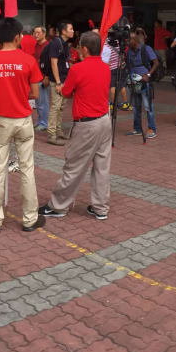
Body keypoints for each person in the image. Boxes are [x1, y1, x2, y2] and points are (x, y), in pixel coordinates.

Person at [38, 31, 112, 221]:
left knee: (74, 166)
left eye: (80, 47)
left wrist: (62, 87)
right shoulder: (105, 68)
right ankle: (100, 207)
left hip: (87, 124)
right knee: (101, 167)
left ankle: (59, 206)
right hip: (104, 120)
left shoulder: (77, 69)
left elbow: (67, 92)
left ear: (85, 49)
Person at [0, 17, 45, 235]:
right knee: (27, 169)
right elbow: (35, 93)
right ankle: (30, 219)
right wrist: (19, 93)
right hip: (24, 120)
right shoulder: (28, 61)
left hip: (1, 120)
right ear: (18, 37)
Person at [46, 21, 74, 146]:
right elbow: (53, 62)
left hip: (64, 79)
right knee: (55, 107)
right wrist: (58, 82)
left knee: (61, 107)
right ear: (63, 31)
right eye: (71, 29)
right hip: (57, 80)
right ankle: (51, 134)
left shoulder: (64, 44)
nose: (73, 31)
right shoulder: (56, 43)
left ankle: (58, 130)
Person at [126, 30, 158, 138]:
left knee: (148, 106)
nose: (128, 41)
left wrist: (148, 75)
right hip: (134, 81)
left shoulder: (146, 48)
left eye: (130, 39)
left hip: (145, 82)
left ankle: (151, 129)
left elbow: (156, 62)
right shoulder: (129, 51)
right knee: (136, 107)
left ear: (136, 39)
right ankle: (137, 129)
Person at [31, 26, 50, 130]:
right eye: (34, 32)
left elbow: (50, 62)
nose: (36, 34)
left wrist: (46, 76)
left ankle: (44, 123)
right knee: (38, 102)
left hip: (43, 77)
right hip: (36, 76)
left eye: (38, 32)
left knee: (43, 102)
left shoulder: (47, 45)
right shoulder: (37, 45)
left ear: (44, 34)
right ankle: (40, 121)